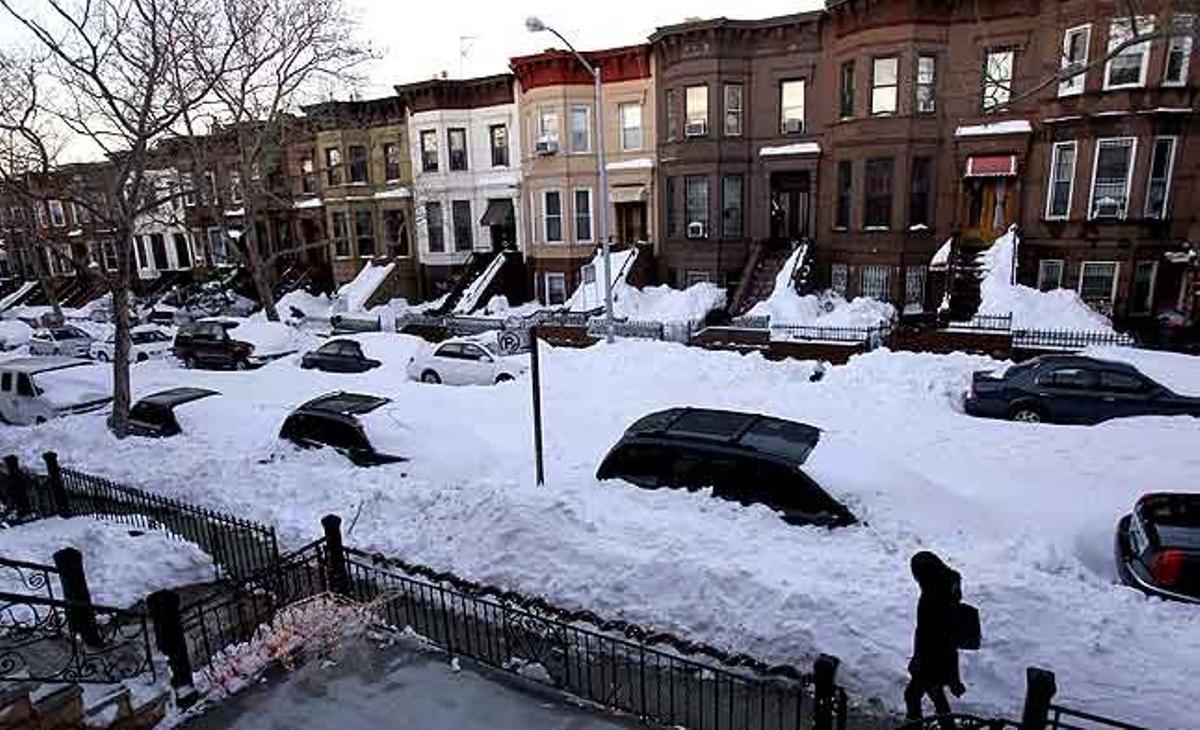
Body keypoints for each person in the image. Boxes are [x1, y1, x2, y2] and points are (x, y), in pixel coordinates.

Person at [904, 551, 966, 726]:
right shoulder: (948, 587)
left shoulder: (932, 599)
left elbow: (927, 634)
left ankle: (917, 725)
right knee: (935, 696)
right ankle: (946, 726)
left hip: (930, 658)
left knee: (913, 695)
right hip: (942, 657)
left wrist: (918, 661)